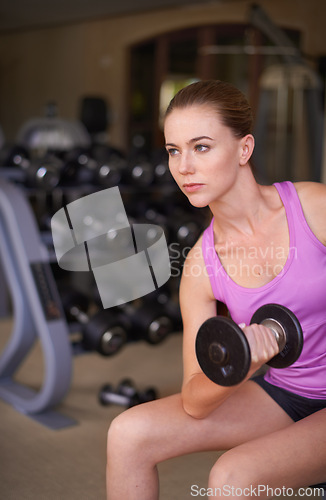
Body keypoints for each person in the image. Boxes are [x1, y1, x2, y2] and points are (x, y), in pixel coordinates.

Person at [106, 80, 326, 499]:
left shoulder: (313, 208)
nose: (184, 167)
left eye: (201, 147)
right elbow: (194, 398)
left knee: (231, 480)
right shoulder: (200, 267)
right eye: (174, 151)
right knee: (127, 432)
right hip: (285, 394)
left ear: (244, 149)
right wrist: (238, 366)